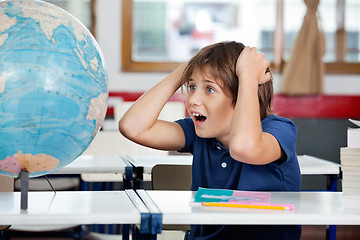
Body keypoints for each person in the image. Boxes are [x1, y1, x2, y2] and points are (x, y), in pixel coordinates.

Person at [119, 41, 301, 240]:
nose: (193, 99)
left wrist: (247, 75)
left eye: (210, 89)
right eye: (192, 86)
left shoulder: (279, 130)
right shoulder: (197, 133)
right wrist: (184, 72)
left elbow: (245, 148)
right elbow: (132, 127)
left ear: (244, 93)